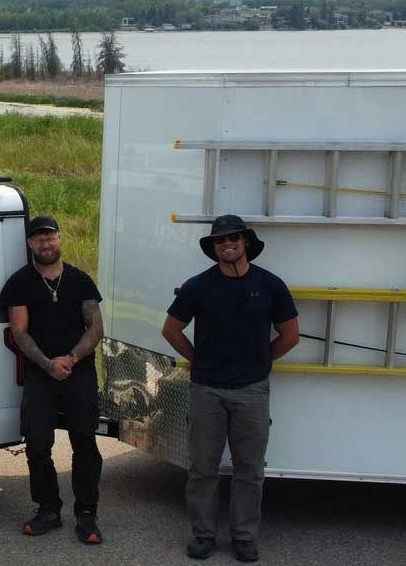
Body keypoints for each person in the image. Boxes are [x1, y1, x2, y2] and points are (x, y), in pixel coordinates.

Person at [160, 215, 300, 563]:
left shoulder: (270, 285)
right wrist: (199, 360)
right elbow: (171, 330)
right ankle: (203, 535)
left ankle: (244, 537)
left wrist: (261, 361)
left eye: (234, 238)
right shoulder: (198, 286)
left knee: (249, 470)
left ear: (246, 242)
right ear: (213, 247)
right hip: (206, 390)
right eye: (220, 240)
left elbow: (291, 334)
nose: (227, 244)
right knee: (202, 468)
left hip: (252, 391)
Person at [0, 215, 105, 544]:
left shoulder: (81, 280)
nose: (46, 243)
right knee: (38, 443)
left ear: (59, 239)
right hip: (41, 372)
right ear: (30, 243)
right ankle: (48, 509)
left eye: (51, 237)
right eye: (39, 238)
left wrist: (70, 359)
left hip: (78, 370)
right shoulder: (19, 283)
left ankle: (87, 514)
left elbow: (95, 328)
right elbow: (20, 332)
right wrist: (48, 364)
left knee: (85, 442)